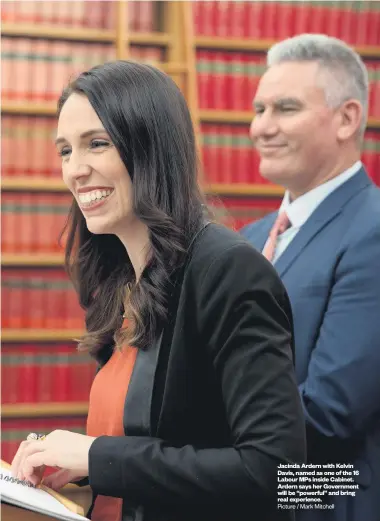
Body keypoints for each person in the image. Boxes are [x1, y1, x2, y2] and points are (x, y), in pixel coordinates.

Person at [11, 60, 306, 521]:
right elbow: (154, 447)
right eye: (65, 151)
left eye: (97, 144)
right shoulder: (121, 281)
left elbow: (275, 472)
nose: (76, 170)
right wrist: (86, 480)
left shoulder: (228, 270)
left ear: (150, 146)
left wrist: (97, 458)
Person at [241, 34, 380, 521]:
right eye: (259, 109)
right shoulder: (250, 238)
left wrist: (184, 440)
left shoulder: (373, 230)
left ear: (347, 118)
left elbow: (331, 411)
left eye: (286, 108)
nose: (262, 127)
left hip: (326, 498)